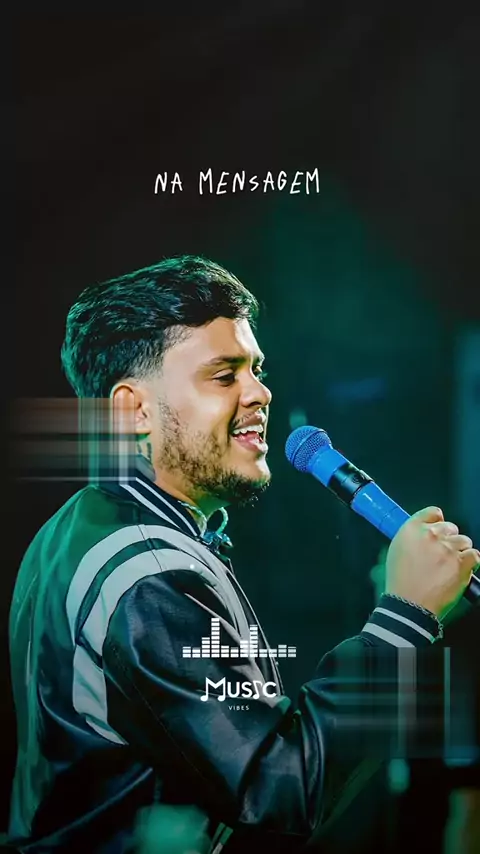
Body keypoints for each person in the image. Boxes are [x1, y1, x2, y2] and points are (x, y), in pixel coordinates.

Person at [7, 256, 479, 854]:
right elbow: (282, 790)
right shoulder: (148, 574)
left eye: (255, 369)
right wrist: (404, 620)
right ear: (134, 411)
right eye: (223, 375)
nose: (260, 392)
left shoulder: (81, 528)